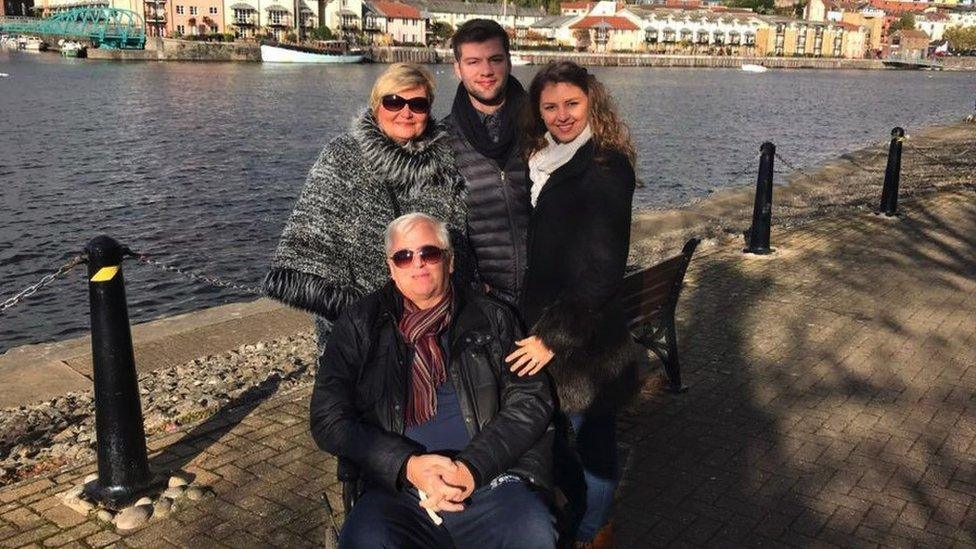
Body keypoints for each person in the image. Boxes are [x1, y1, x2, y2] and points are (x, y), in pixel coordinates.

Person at [310, 213, 557, 549]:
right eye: (404, 256)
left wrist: (472, 467)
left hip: (487, 478)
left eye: (430, 253)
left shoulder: (492, 317)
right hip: (398, 489)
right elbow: (328, 418)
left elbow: (530, 401)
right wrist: (406, 466)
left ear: (450, 262)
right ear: (391, 267)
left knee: (532, 531)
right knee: (364, 541)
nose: (418, 264)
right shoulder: (359, 324)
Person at [506, 61, 643, 549]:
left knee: (593, 448)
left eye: (572, 104)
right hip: (553, 323)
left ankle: (591, 533)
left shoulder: (605, 166)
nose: (562, 115)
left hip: (584, 341)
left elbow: (604, 270)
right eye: (550, 106)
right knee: (558, 438)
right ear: (538, 111)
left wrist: (551, 338)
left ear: (591, 103)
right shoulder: (544, 157)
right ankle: (585, 519)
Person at [264, 63, 469, 353]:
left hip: (433, 325)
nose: (405, 112)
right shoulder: (343, 156)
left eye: (418, 104)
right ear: (376, 106)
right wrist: (367, 316)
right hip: (359, 327)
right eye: (394, 101)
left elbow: (456, 244)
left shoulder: (444, 165)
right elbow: (308, 248)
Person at [444, 19, 530, 306]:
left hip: (546, 288)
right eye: (473, 61)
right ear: (457, 68)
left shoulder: (541, 126)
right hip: (484, 301)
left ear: (509, 61)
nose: (486, 71)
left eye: (495, 59)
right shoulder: (443, 141)